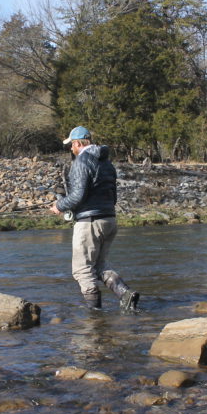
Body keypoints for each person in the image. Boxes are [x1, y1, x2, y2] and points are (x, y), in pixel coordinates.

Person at [50, 125, 140, 310]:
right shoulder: (107, 163)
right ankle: (125, 294)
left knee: (82, 270)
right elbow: (113, 196)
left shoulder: (81, 162)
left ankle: (95, 314)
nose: (70, 149)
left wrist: (59, 206)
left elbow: (78, 196)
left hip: (89, 223)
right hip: (109, 220)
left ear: (77, 143)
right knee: (98, 267)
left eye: (71, 145)